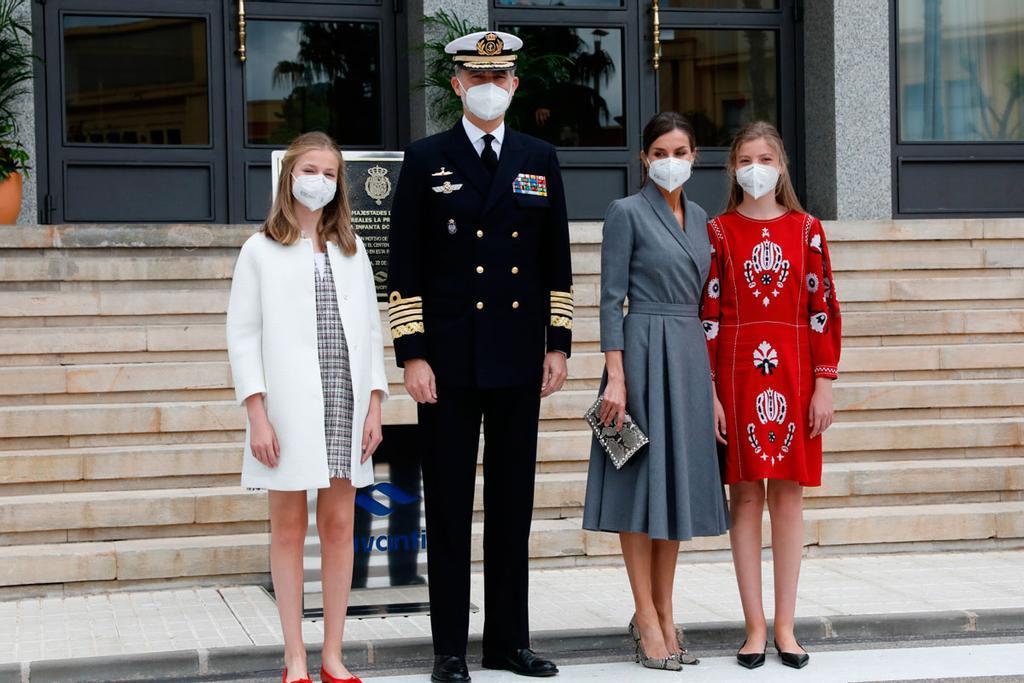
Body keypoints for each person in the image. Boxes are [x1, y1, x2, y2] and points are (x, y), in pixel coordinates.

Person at [387, 30, 572, 683]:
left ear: (514, 85)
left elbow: (557, 263)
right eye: (477, 75)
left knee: (512, 505)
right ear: (457, 84)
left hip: (520, 357)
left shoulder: (539, 157)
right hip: (449, 361)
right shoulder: (425, 158)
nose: (490, 85)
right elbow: (403, 267)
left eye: (502, 76)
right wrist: (411, 353)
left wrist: (559, 343)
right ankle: (449, 650)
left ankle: (507, 642)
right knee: (449, 505)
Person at [226, 132, 389, 683]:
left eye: (329, 172)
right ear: (290, 175)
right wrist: (257, 413)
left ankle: (332, 654)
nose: (318, 180)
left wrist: (374, 405)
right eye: (309, 169)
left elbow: (371, 328)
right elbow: (242, 336)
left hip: (345, 400)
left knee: (341, 523)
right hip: (289, 406)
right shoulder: (259, 249)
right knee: (288, 527)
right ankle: (295, 656)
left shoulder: (352, 247)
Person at [582, 112, 730, 672]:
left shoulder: (701, 218)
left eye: (683, 150)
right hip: (640, 355)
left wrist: (712, 387)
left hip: (688, 356)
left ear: (694, 158)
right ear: (645, 158)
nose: (673, 159)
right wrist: (615, 376)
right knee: (636, 488)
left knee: (673, 490)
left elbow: (707, 304)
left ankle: (667, 610)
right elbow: (608, 298)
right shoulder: (625, 212)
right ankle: (644, 614)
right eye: (662, 150)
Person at [699, 121, 842, 670]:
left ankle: (786, 624)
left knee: (787, 497)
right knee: (745, 499)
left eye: (765, 158)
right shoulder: (718, 231)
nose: (755, 168)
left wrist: (824, 383)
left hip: (796, 371)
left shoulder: (808, 230)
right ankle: (753, 625)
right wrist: (710, 390)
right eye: (745, 159)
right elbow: (707, 314)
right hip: (736, 373)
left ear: (780, 166)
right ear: (733, 169)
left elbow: (823, 305)